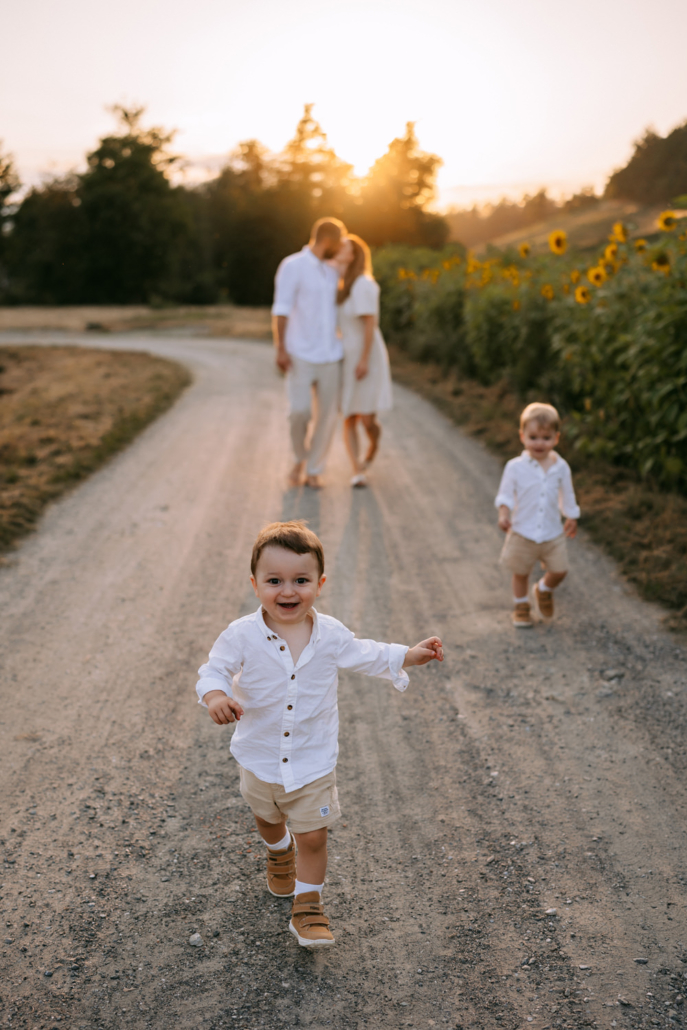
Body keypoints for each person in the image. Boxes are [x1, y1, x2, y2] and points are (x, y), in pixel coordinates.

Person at [195, 520, 443, 948]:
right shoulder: (241, 635)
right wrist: (216, 695)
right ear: (254, 584)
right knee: (267, 818)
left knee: (314, 836)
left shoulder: (329, 634)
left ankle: (307, 908)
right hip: (259, 755)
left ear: (320, 583)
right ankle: (277, 851)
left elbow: (366, 652)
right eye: (274, 580)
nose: (287, 591)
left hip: (312, 760)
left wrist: (408, 654)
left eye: (300, 580)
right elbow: (214, 669)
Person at [272, 218, 346, 490]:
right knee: (299, 412)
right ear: (327, 241)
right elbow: (280, 309)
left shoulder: (332, 271)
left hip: (331, 355)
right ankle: (298, 458)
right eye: (337, 244)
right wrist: (280, 348)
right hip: (300, 353)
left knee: (327, 417)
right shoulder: (292, 266)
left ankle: (314, 469)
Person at [495, 402, 580, 628]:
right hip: (522, 530)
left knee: (560, 569)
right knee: (520, 571)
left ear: (556, 438)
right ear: (522, 436)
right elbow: (505, 495)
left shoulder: (561, 467)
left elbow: (567, 494)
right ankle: (521, 607)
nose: (539, 443)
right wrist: (504, 513)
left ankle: (544, 589)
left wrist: (571, 516)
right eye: (533, 437)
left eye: (546, 437)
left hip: (553, 531)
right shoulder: (514, 467)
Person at [332, 234, 393, 487]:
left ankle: (374, 445)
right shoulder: (340, 284)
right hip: (345, 355)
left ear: (354, 254)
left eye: (343, 246)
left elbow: (370, 323)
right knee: (349, 414)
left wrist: (364, 359)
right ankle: (357, 470)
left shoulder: (363, 284)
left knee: (367, 418)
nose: (337, 248)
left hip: (366, 354)